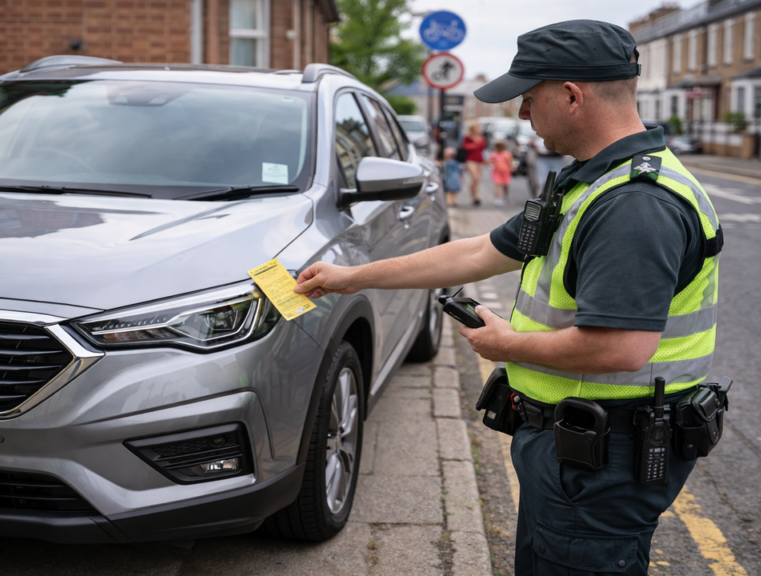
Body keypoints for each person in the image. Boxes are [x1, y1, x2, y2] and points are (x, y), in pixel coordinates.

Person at [295, 20, 722, 576]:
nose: (521, 113)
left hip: (601, 462)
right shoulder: (589, 182)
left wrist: (507, 344)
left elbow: (621, 348)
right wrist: (352, 276)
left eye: (528, 96)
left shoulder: (633, 206)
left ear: (572, 96)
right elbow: (478, 253)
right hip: (578, 448)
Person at [461, 122, 487, 205]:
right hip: (470, 159)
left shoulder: (482, 138)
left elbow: (483, 147)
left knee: (477, 180)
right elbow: (465, 147)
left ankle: (476, 197)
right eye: (475, 127)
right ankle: (474, 196)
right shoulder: (467, 137)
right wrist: (476, 145)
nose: (477, 129)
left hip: (480, 160)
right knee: (474, 178)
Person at [488, 140, 514, 206]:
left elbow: (510, 163)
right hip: (498, 172)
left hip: (505, 172)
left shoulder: (507, 154)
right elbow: (490, 161)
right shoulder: (494, 154)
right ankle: (498, 198)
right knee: (498, 185)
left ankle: (504, 197)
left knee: (504, 185)